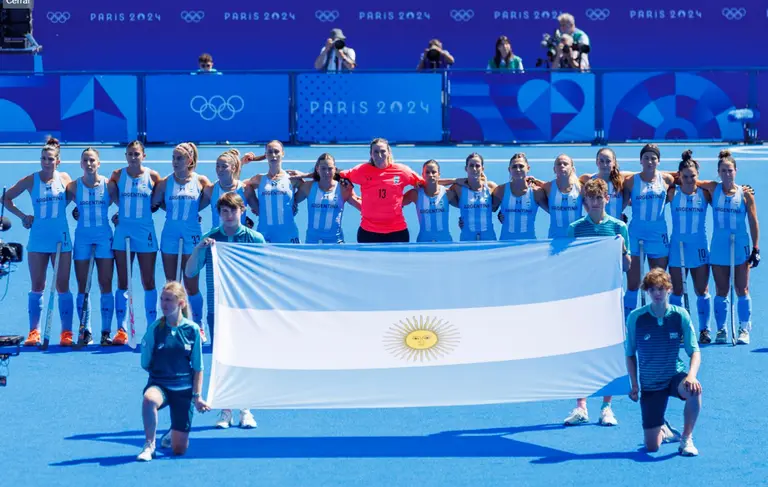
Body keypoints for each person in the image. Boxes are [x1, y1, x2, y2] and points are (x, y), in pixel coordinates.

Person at [185, 192, 265, 430]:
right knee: (223, 359)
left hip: (245, 309)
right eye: (224, 212)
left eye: (233, 211)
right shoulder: (211, 238)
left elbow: (264, 272)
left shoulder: (255, 239)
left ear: (243, 211)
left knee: (244, 358)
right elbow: (190, 272)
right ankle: (226, 409)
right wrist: (199, 249)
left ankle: (245, 408)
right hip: (218, 310)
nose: (229, 216)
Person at [562, 178, 630, 426]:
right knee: (581, 351)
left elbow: (627, 266)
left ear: (607, 199)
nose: (595, 202)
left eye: (599, 198)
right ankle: (581, 406)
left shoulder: (619, 228)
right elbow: (569, 264)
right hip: (583, 299)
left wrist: (622, 250)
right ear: (585, 202)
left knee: (608, 353)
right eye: (590, 198)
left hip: (609, 299)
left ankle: (606, 407)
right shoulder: (575, 229)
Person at [3, 137, 74, 346]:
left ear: (58, 161)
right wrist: (23, 216)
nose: (46, 162)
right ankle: (34, 331)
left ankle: (66, 332)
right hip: (38, 238)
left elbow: (76, 197)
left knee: (62, 285)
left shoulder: (65, 179)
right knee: (37, 285)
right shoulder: (30, 180)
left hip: (61, 238)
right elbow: (5, 198)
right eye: (43, 158)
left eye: (50, 159)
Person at [626, 269, 702, 456]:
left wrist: (692, 376)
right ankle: (664, 429)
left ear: (669, 289)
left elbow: (694, 351)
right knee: (652, 447)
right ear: (647, 292)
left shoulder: (680, 315)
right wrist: (634, 384)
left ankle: (686, 438)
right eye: (652, 290)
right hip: (650, 384)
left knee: (694, 390)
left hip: (674, 375)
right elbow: (630, 354)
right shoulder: (636, 318)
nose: (656, 293)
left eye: (660, 289)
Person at [137, 281, 210, 462]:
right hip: (160, 385)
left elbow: (198, 367)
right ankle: (149, 445)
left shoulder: (192, 330)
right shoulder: (155, 329)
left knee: (179, 450)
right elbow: (145, 362)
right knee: (149, 399)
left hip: (184, 391)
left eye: (168, 300)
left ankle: (173, 432)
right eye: (162, 299)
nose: (163, 304)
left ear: (181, 303)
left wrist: (197, 396)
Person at [697, 150, 760, 345]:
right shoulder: (712, 189)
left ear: (736, 171)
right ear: (718, 172)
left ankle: (744, 328)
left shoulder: (745, 194)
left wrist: (755, 248)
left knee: (742, 287)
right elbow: (688, 179)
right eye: (723, 171)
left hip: (740, 244)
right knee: (721, 289)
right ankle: (722, 329)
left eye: (730, 170)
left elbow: (753, 221)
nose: (727, 174)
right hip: (719, 245)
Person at [151, 142, 212, 334]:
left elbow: (213, 198)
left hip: (192, 234)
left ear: (189, 160)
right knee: (172, 284)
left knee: (191, 285)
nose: (175, 162)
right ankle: (175, 323)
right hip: (170, 233)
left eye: (179, 158)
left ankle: (198, 325)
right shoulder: (164, 183)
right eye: (173, 158)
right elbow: (154, 203)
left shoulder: (201, 181)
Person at [108, 141, 162, 346]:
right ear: (126, 156)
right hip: (123, 232)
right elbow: (113, 194)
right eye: (130, 154)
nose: (133, 157)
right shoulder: (117, 175)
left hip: (145, 232)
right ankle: (121, 329)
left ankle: (151, 327)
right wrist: (120, 211)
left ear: (143, 156)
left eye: (136, 154)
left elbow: (160, 199)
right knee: (123, 281)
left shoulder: (153, 177)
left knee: (148, 281)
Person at [66, 148, 116, 345]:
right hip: (82, 238)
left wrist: (118, 216)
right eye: (85, 160)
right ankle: (85, 330)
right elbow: (59, 207)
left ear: (98, 163)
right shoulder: (72, 187)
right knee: (83, 285)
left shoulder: (109, 185)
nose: (89, 163)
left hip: (104, 236)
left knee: (105, 283)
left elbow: (123, 205)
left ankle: (106, 331)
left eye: (92, 160)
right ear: (80, 164)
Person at [622, 144, 675, 319]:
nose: (650, 161)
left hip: (658, 234)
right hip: (636, 233)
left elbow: (688, 180)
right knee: (633, 283)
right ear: (640, 161)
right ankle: (628, 321)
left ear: (658, 161)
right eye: (646, 158)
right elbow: (620, 199)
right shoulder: (630, 181)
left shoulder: (667, 179)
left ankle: (659, 317)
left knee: (659, 282)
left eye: (653, 158)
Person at [337, 138, 425, 243]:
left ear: (389, 152)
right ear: (371, 154)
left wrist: (403, 200)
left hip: (397, 231)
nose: (379, 155)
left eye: (383, 151)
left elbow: (423, 183)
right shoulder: (361, 171)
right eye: (376, 152)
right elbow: (338, 175)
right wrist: (349, 190)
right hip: (368, 232)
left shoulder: (402, 171)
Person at [667, 151, 713, 344]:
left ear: (698, 176)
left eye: (692, 176)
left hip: (699, 246)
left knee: (702, 290)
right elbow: (656, 178)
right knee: (677, 290)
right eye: (684, 176)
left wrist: (745, 189)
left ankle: (704, 329)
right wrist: (674, 177)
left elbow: (725, 189)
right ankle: (677, 329)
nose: (689, 180)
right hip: (677, 247)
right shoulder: (672, 193)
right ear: (679, 176)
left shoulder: (705, 194)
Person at [294, 153, 361, 244]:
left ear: (335, 169)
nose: (327, 172)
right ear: (317, 169)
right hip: (312, 242)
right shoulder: (308, 187)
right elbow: (288, 202)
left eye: (330, 169)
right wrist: (294, 183)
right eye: (323, 168)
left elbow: (362, 207)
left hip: (336, 242)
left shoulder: (343, 188)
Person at [244, 140, 302, 243]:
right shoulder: (259, 179)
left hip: (288, 235)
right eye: (270, 152)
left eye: (276, 151)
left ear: (282, 153)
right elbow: (235, 185)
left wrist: (295, 201)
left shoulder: (292, 178)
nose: (273, 155)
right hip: (265, 234)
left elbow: (316, 185)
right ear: (265, 155)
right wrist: (255, 206)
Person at [403, 160, 458, 242]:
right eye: (427, 172)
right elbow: (395, 203)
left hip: (445, 241)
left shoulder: (447, 193)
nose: (430, 175)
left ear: (439, 174)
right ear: (423, 175)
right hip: (423, 242)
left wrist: (463, 221)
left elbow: (465, 206)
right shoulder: (415, 194)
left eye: (433, 172)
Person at [496, 153, 547, 240]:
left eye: (521, 166)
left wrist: (539, 182)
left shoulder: (536, 192)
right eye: (514, 167)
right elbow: (487, 208)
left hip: (529, 244)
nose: (518, 169)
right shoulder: (501, 190)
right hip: (505, 244)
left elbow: (554, 210)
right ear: (509, 169)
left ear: (528, 168)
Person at [448, 153, 497, 241]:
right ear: (466, 168)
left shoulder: (491, 187)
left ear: (482, 169)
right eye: (471, 166)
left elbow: (503, 202)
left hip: (489, 238)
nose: (474, 169)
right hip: (467, 238)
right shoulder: (458, 188)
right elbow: (431, 183)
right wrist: (454, 180)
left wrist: (502, 214)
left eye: (477, 166)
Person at [578, 148, 627, 221]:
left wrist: (619, 212)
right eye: (601, 161)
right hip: (596, 226)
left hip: (616, 226)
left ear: (614, 163)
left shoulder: (621, 180)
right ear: (596, 162)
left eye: (608, 161)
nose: (605, 165)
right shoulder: (588, 179)